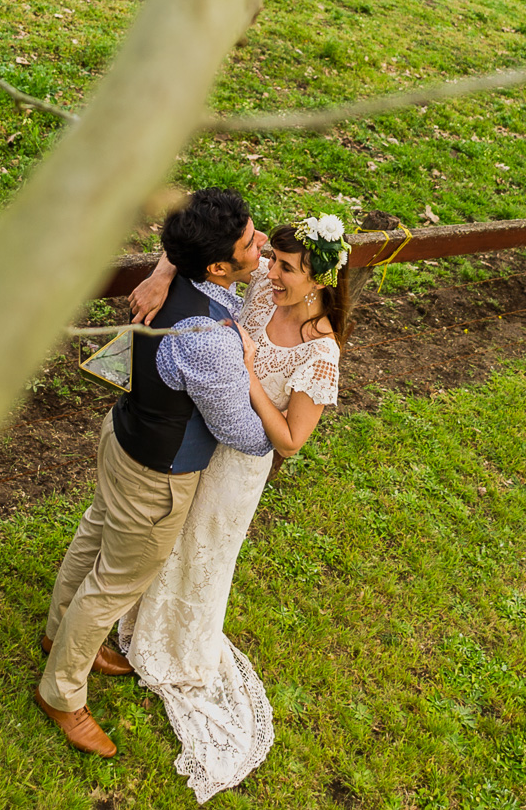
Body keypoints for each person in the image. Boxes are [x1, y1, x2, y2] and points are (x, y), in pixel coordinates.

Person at [117, 214, 351, 803]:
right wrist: (164, 268)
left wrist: (245, 371)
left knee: (204, 553)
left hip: (240, 466)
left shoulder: (320, 352)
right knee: (169, 536)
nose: (272, 272)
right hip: (202, 438)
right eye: (272, 260)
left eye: (289, 270)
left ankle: (180, 647)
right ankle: (139, 620)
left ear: (320, 280)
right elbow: (204, 241)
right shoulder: (262, 280)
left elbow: (291, 441)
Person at [35, 188, 271, 756]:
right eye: (248, 241)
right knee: (115, 581)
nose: (260, 241)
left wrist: (165, 268)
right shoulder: (210, 341)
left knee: (95, 530)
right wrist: (271, 404)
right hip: (157, 477)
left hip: (121, 434)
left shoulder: (181, 275)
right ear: (218, 266)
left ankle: (58, 634)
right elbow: (242, 432)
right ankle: (62, 693)